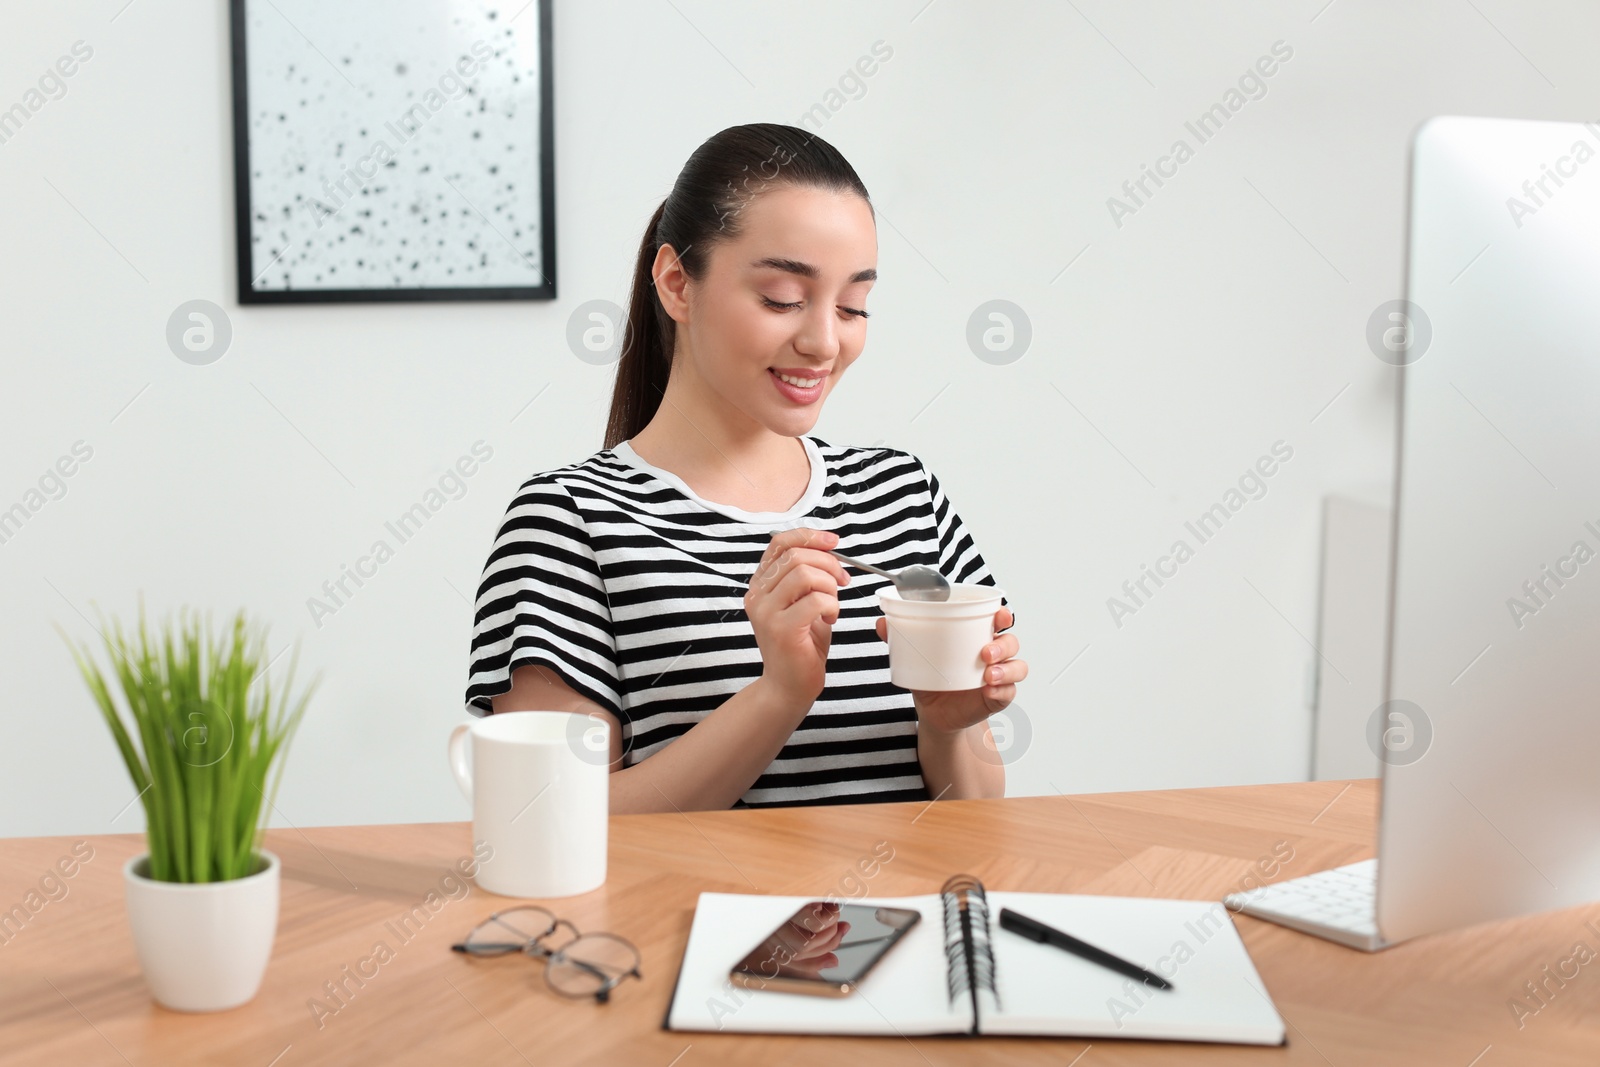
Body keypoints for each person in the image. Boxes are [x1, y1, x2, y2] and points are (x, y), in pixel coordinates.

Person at [464, 123, 1027, 813]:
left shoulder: (905, 497)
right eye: (783, 298)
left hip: (905, 918)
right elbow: (550, 821)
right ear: (677, 283)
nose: (824, 341)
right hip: (686, 923)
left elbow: (977, 810)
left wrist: (948, 726)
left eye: (853, 305)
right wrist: (777, 695)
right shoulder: (569, 523)